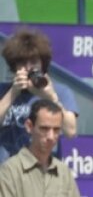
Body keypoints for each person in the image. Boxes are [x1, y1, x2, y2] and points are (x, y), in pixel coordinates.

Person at [0, 28, 79, 163]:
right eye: (23, 63)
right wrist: (13, 92)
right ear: (14, 66)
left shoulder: (60, 92)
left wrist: (51, 97)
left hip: (43, 172)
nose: (29, 67)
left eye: (34, 62)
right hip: (6, 171)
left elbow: (70, 131)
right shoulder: (4, 91)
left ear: (43, 64)